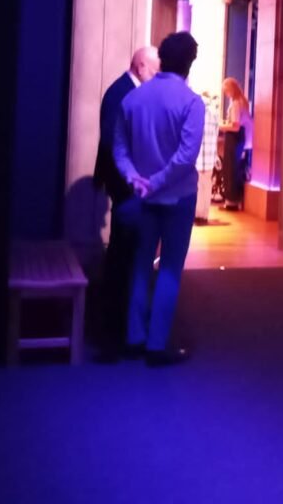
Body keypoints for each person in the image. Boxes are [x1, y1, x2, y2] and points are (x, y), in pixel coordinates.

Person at [114, 32, 204, 366]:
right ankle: (156, 344)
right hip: (178, 197)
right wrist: (156, 183)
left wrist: (135, 179)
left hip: (143, 197)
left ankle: (134, 336)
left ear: (163, 58)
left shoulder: (134, 98)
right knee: (169, 269)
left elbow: (120, 149)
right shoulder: (191, 103)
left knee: (140, 265)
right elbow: (185, 158)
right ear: (190, 62)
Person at [93, 46, 159, 360]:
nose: (157, 77)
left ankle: (117, 330)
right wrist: (134, 180)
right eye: (155, 70)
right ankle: (114, 332)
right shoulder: (122, 93)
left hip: (124, 185)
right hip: (125, 187)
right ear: (141, 65)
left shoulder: (122, 90)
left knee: (123, 255)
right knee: (122, 258)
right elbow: (111, 142)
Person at [218, 77, 253, 210]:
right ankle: (233, 200)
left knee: (230, 168)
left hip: (234, 138)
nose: (226, 94)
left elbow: (235, 126)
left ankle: (231, 201)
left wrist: (221, 126)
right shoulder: (242, 102)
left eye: (226, 91)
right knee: (235, 168)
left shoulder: (236, 104)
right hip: (240, 138)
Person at [194, 91, 220, 225]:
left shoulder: (195, 111)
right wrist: (215, 155)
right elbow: (216, 135)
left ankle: (197, 215)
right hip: (209, 156)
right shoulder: (214, 114)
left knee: (198, 186)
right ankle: (204, 215)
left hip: (197, 156)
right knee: (207, 186)